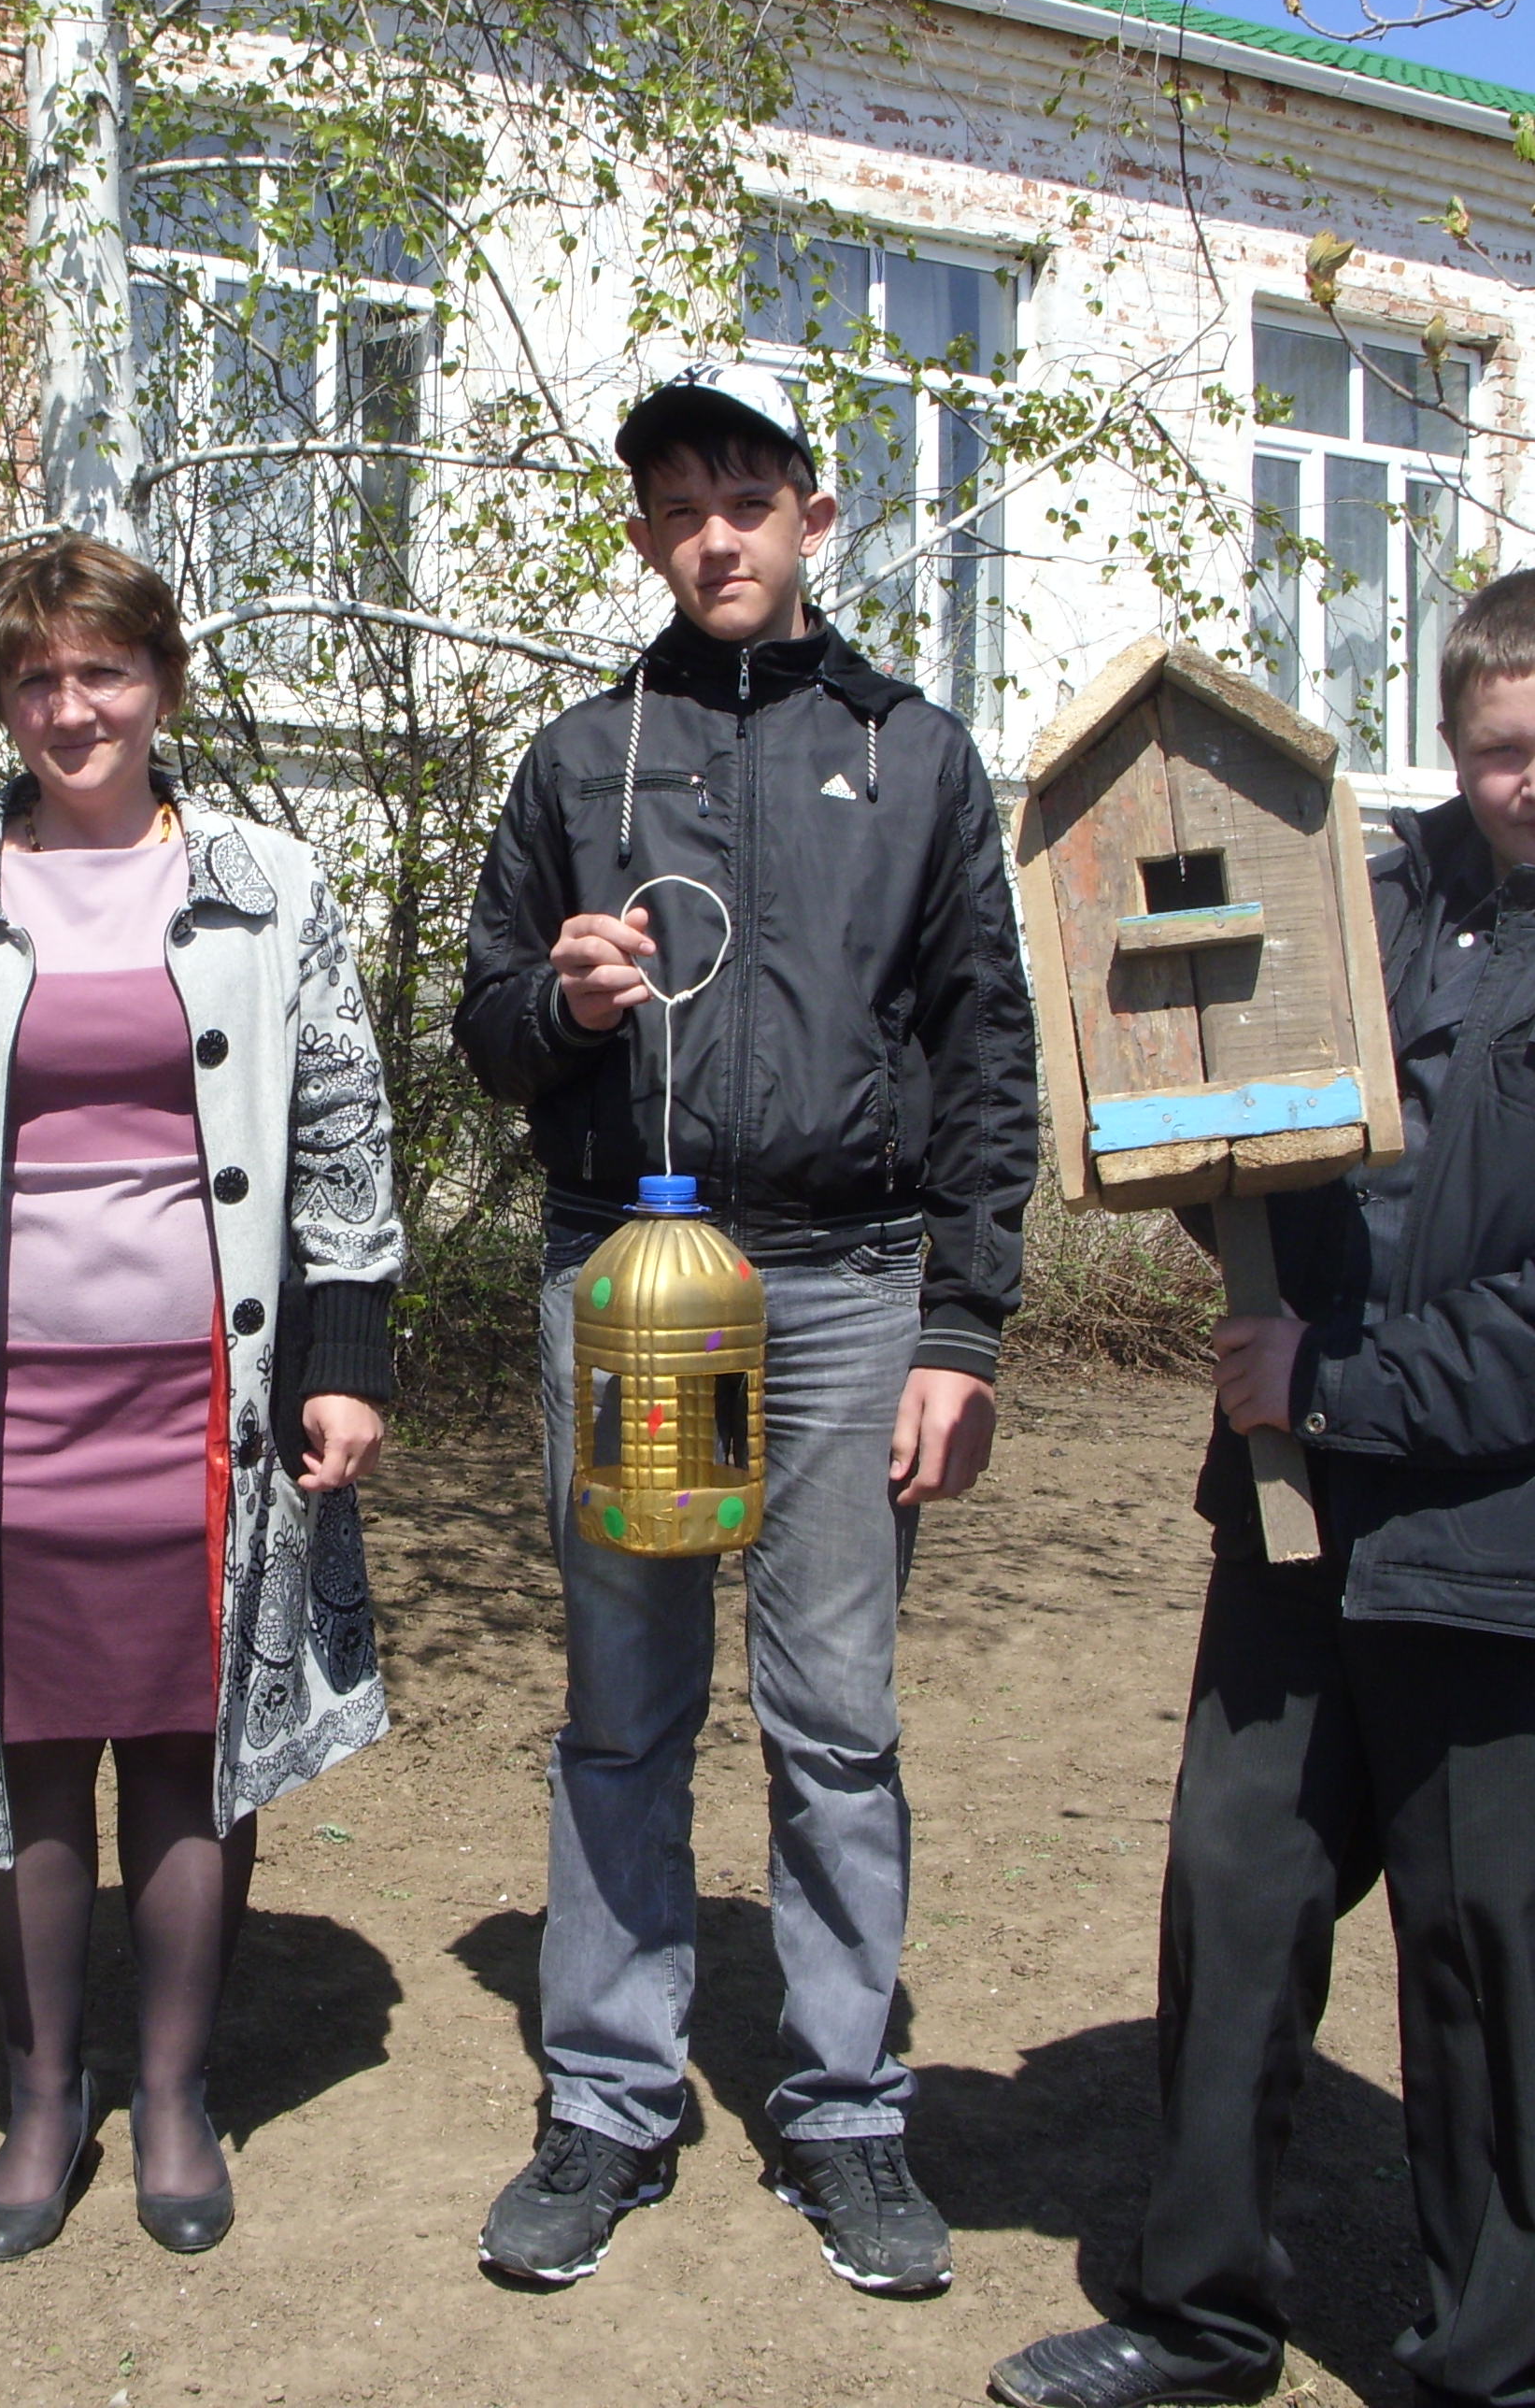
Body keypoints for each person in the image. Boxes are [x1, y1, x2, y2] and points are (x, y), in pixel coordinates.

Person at [989, 568, 1535, 2408]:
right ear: (1456, 745)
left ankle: (1485, 2367)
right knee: (1235, 1902)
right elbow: (1262, 1121)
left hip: (1515, 1550)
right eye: (1503, 747)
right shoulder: (1371, 893)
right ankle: (1203, 2322)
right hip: (1295, 1524)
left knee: (1479, 1954)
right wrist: (1192, 1144)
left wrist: (1341, 1382)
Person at [455, 363, 1038, 2293]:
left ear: (815, 516)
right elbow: (484, 1040)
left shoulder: (918, 755)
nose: (716, 533)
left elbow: (983, 1052)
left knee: (836, 1720)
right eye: (679, 505)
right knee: (627, 1711)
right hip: (632, 1276)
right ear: (642, 536)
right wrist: (573, 1010)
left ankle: (847, 2112)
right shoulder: (577, 761)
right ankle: (608, 2104)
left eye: (749, 496)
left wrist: (965, 1319)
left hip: (855, 1287)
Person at [0, 534, 404, 2260]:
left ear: (163, 680)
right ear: (1, 700)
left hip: (205, 1399)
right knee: (27, 1745)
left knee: (194, 1746)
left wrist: (345, 1356)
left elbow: (346, 1123)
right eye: (35, 680)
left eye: (104, 671)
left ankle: (175, 2091)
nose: (73, 709)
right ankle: (42, 2089)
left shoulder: (271, 884)